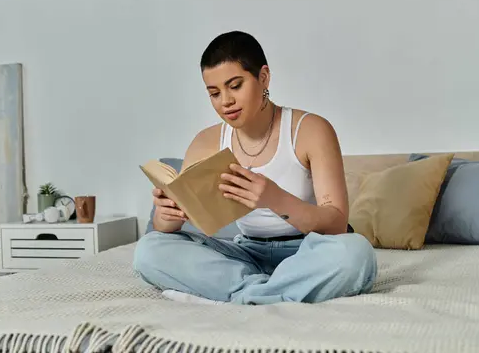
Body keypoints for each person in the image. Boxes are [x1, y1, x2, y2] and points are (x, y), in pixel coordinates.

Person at [133, 30, 377, 306]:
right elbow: (177, 224)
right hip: (245, 255)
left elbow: (336, 224)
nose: (225, 101)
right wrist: (167, 217)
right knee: (149, 250)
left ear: (263, 77)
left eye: (235, 86)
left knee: (356, 254)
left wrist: (273, 198)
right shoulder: (205, 142)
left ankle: (238, 294)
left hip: (310, 251)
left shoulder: (310, 130)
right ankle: (268, 292)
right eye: (214, 93)